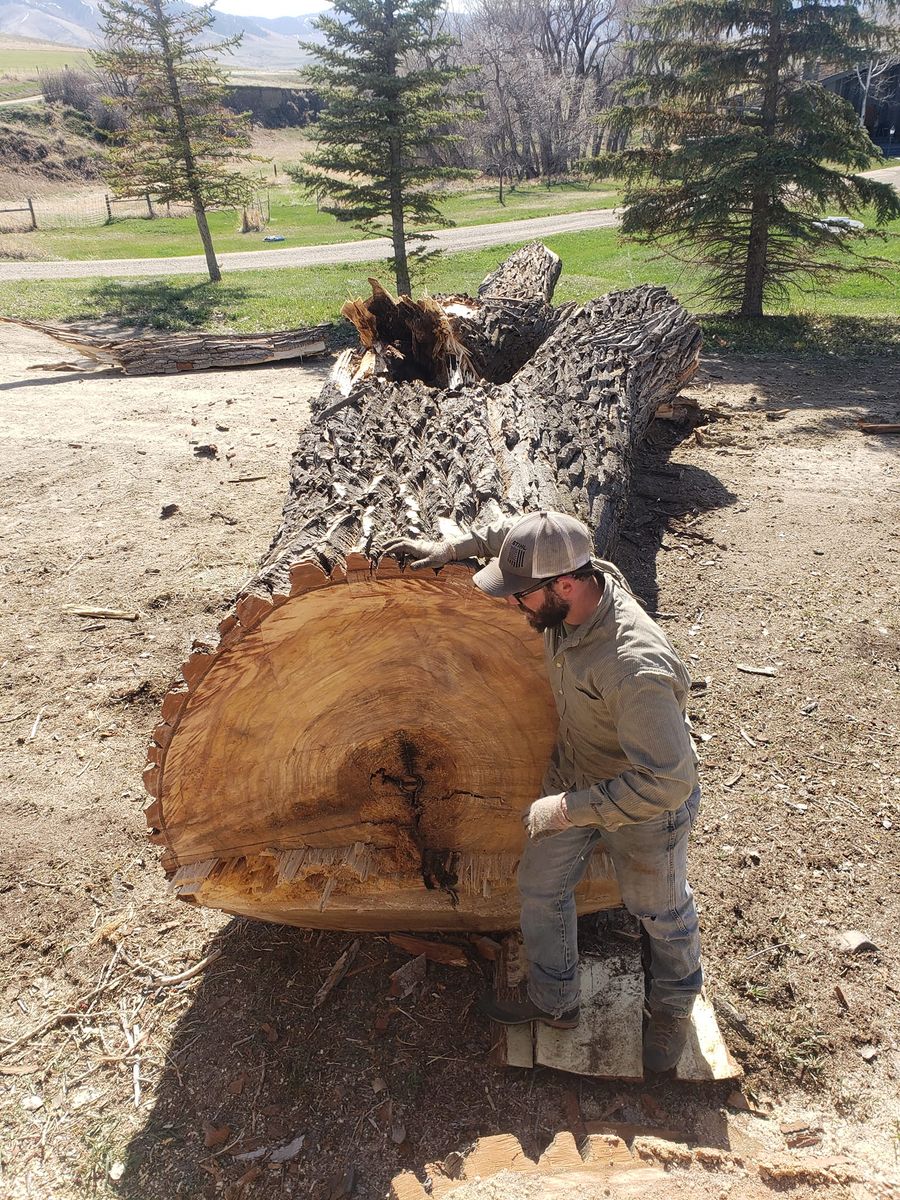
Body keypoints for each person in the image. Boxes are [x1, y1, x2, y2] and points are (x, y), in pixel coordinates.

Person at [384, 510, 702, 1073]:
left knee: (658, 910)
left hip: (649, 806)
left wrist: (568, 810)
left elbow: (668, 781)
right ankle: (555, 1000)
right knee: (539, 886)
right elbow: (522, 531)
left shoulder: (633, 667)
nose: (511, 604)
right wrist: (457, 546)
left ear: (566, 585)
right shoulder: (574, 572)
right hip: (577, 768)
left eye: (520, 596)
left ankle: (674, 1007)